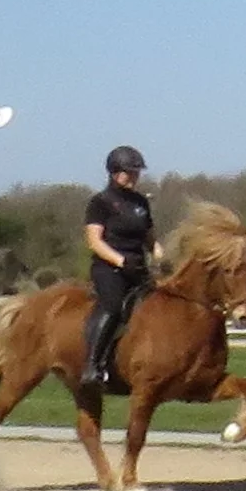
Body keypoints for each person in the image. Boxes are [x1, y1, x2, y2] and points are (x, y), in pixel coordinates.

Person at [82, 145, 161, 386]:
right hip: (109, 267)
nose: (135, 176)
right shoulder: (101, 202)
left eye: (137, 172)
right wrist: (120, 260)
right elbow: (94, 241)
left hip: (138, 267)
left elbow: (151, 238)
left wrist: (160, 256)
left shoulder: (141, 203)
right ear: (115, 172)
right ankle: (93, 366)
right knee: (114, 307)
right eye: (130, 172)